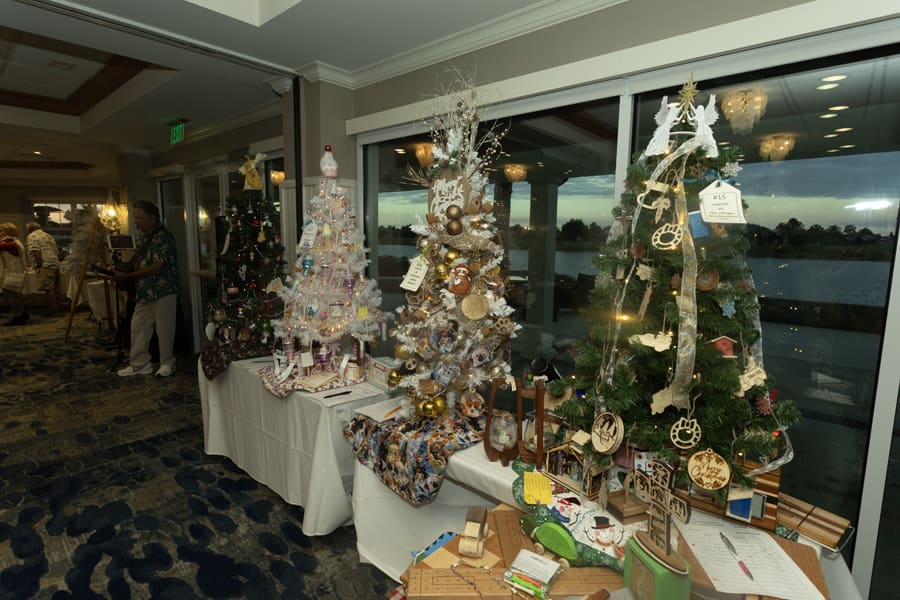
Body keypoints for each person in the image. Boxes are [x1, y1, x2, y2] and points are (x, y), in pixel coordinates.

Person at [115, 201, 180, 377]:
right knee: (138, 327)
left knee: (165, 330)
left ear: (153, 218)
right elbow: (142, 262)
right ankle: (139, 363)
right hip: (144, 292)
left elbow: (157, 266)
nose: (136, 222)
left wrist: (130, 275)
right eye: (135, 218)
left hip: (163, 290)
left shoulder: (163, 237)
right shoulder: (144, 238)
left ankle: (167, 363)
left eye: (139, 218)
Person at [25, 221, 61, 315]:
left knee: (49, 289)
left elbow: (36, 251)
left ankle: (54, 310)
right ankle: (56, 307)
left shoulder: (32, 236)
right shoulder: (49, 236)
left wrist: (39, 265)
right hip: (55, 263)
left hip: (45, 265)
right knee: (54, 288)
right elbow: (56, 251)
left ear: (29, 229)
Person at [0, 222, 30, 326]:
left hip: (15, 273)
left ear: (8, 232)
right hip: (15, 272)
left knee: (9, 294)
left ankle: (18, 316)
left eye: (1, 231)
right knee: (12, 295)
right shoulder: (13, 242)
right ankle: (22, 313)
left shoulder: (11, 243)